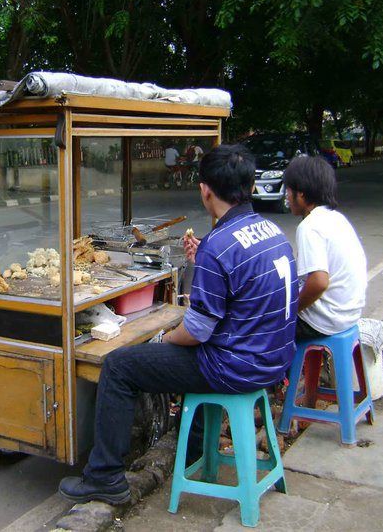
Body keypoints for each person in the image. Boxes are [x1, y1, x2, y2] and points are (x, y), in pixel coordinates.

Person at [58, 144, 298, 505]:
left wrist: (164, 338)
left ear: (205, 190)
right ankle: (193, 449)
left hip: (236, 368)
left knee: (120, 365)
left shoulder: (219, 246)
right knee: (177, 356)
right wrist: (202, 261)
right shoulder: (270, 230)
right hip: (274, 361)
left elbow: (197, 331)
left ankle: (104, 476)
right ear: (248, 187)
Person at [283, 156, 367, 341]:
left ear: (302, 194)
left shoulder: (309, 226)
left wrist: (291, 311)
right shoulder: (336, 218)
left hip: (325, 321)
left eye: (289, 190)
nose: (287, 196)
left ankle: (280, 369)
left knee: (262, 326)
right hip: (349, 314)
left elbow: (319, 282)